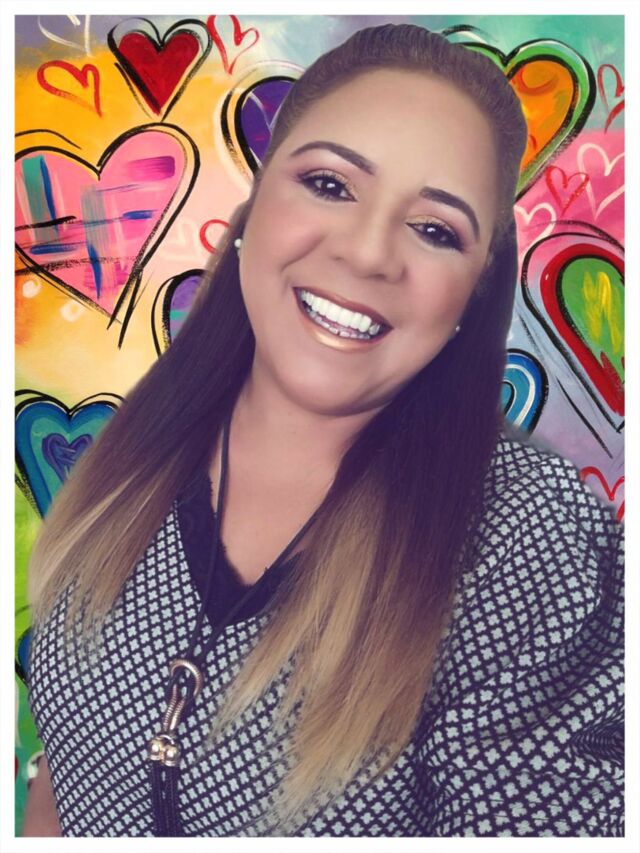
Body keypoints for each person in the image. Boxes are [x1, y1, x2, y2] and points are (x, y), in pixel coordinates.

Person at [23, 23, 623, 837]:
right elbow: (62, 772)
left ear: (474, 291)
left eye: (435, 229)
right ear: (255, 205)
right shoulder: (133, 452)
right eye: (330, 184)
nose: (369, 253)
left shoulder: (533, 534)